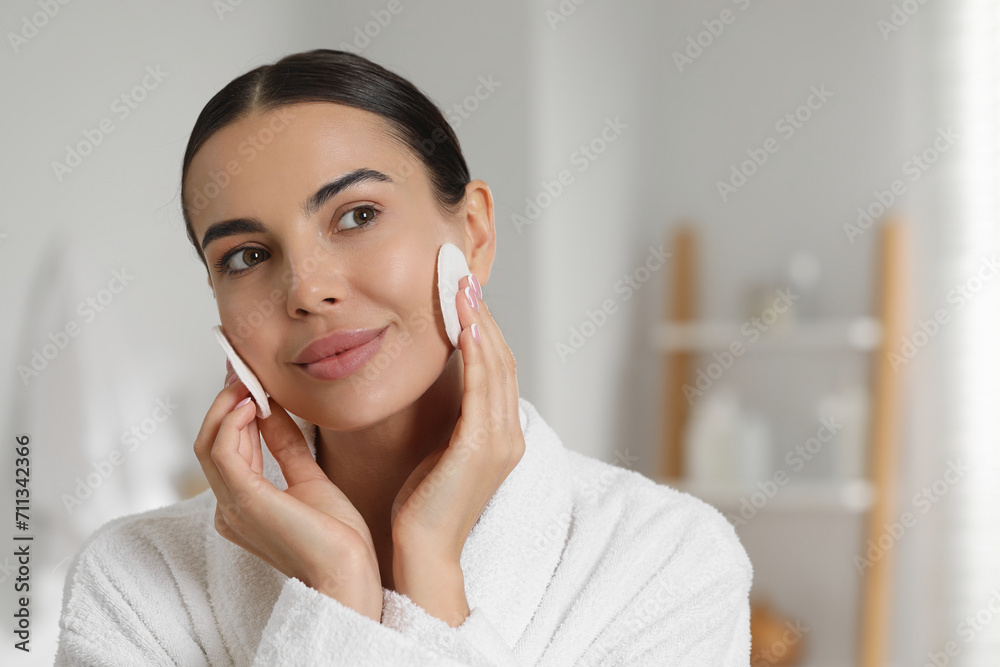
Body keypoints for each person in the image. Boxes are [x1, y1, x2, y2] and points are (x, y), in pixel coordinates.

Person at [54, 49, 753, 665]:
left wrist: (432, 569)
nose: (308, 290)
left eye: (356, 215)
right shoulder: (135, 580)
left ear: (473, 233)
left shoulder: (666, 558)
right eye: (247, 256)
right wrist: (337, 585)